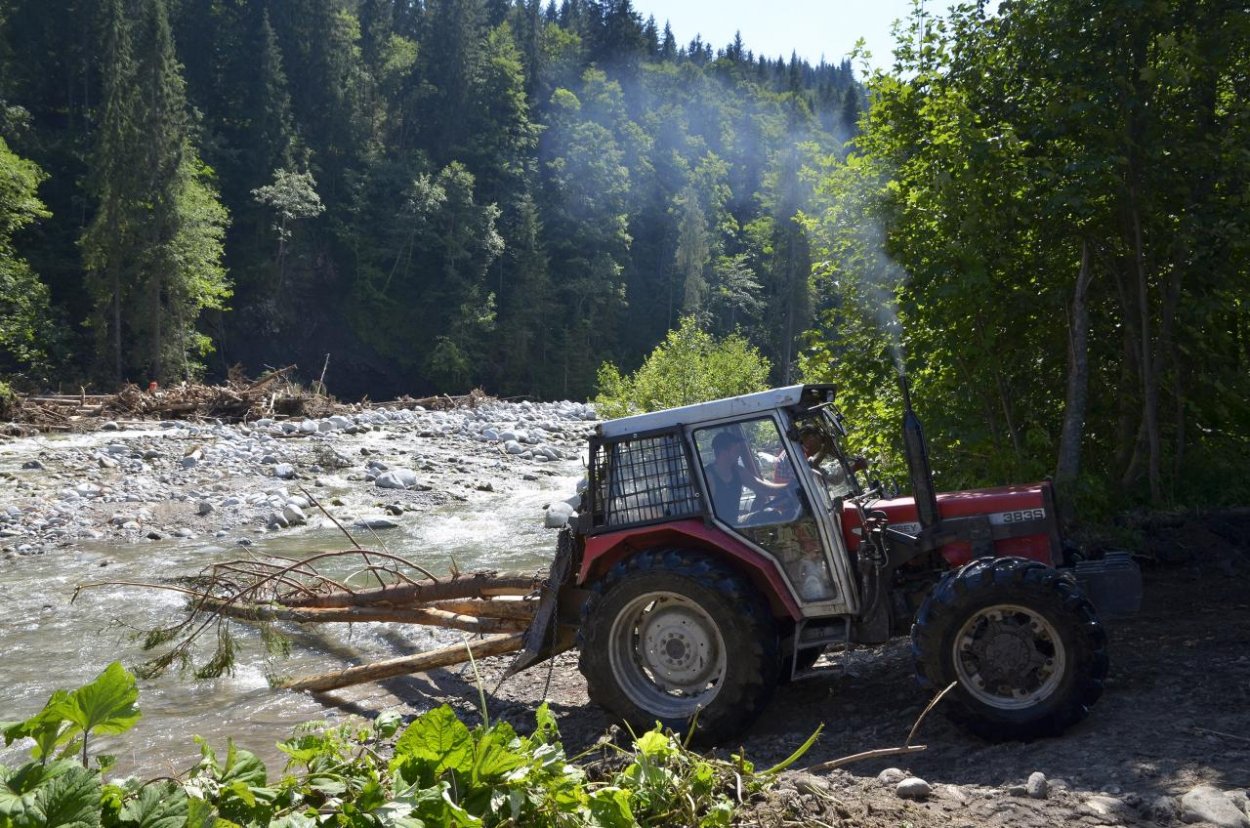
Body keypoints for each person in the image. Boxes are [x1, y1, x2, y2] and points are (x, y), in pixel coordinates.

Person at [704, 431, 791, 524]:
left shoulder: (738, 471)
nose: (739, 454)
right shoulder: (708, 476)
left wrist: (790, 486)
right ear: (723, 453)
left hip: (735, 521)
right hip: (717, 527)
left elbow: (763, 488)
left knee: (771, 514)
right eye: (736, 451)